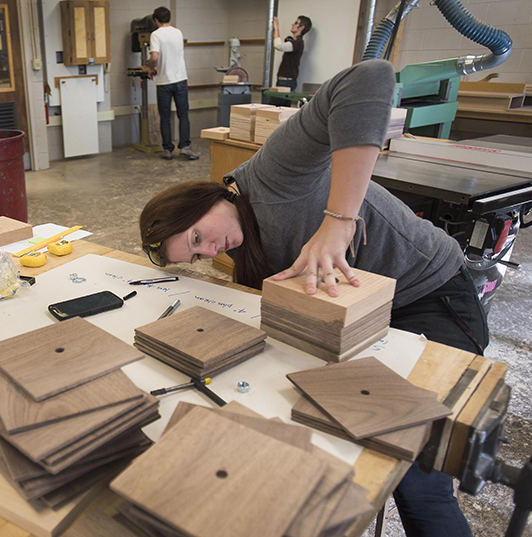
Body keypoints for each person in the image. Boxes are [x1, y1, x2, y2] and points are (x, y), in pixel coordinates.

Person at [139, 59, 485, 537]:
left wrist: (337, 223)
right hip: (354, 316)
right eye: (195, 257)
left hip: (430, 294)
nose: (209, 252)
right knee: (340, 440)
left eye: (198, 237)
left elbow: (370, 77)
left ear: (205, 199)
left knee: (416, 467)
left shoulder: (274, 172)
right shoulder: (247, 244)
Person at [147, 7, 199, 161]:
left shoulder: (155, 35)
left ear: (156, 20)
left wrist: (150, 68)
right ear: (168, 18)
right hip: (181, 79)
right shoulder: (178, 32)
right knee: (183, 115)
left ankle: (168, 150)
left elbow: (155, 58)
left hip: (164, 82)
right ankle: (185, 147)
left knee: (165, 117)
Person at [268, 15, 312, 106]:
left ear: (301, 28)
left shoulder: (298, 43)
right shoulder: (294, 43)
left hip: (286, 82)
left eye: (296, 23)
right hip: (284, 81)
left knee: (274, 109)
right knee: (281, 110)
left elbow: (278, 46)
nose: (293, 24)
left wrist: (276, 27)